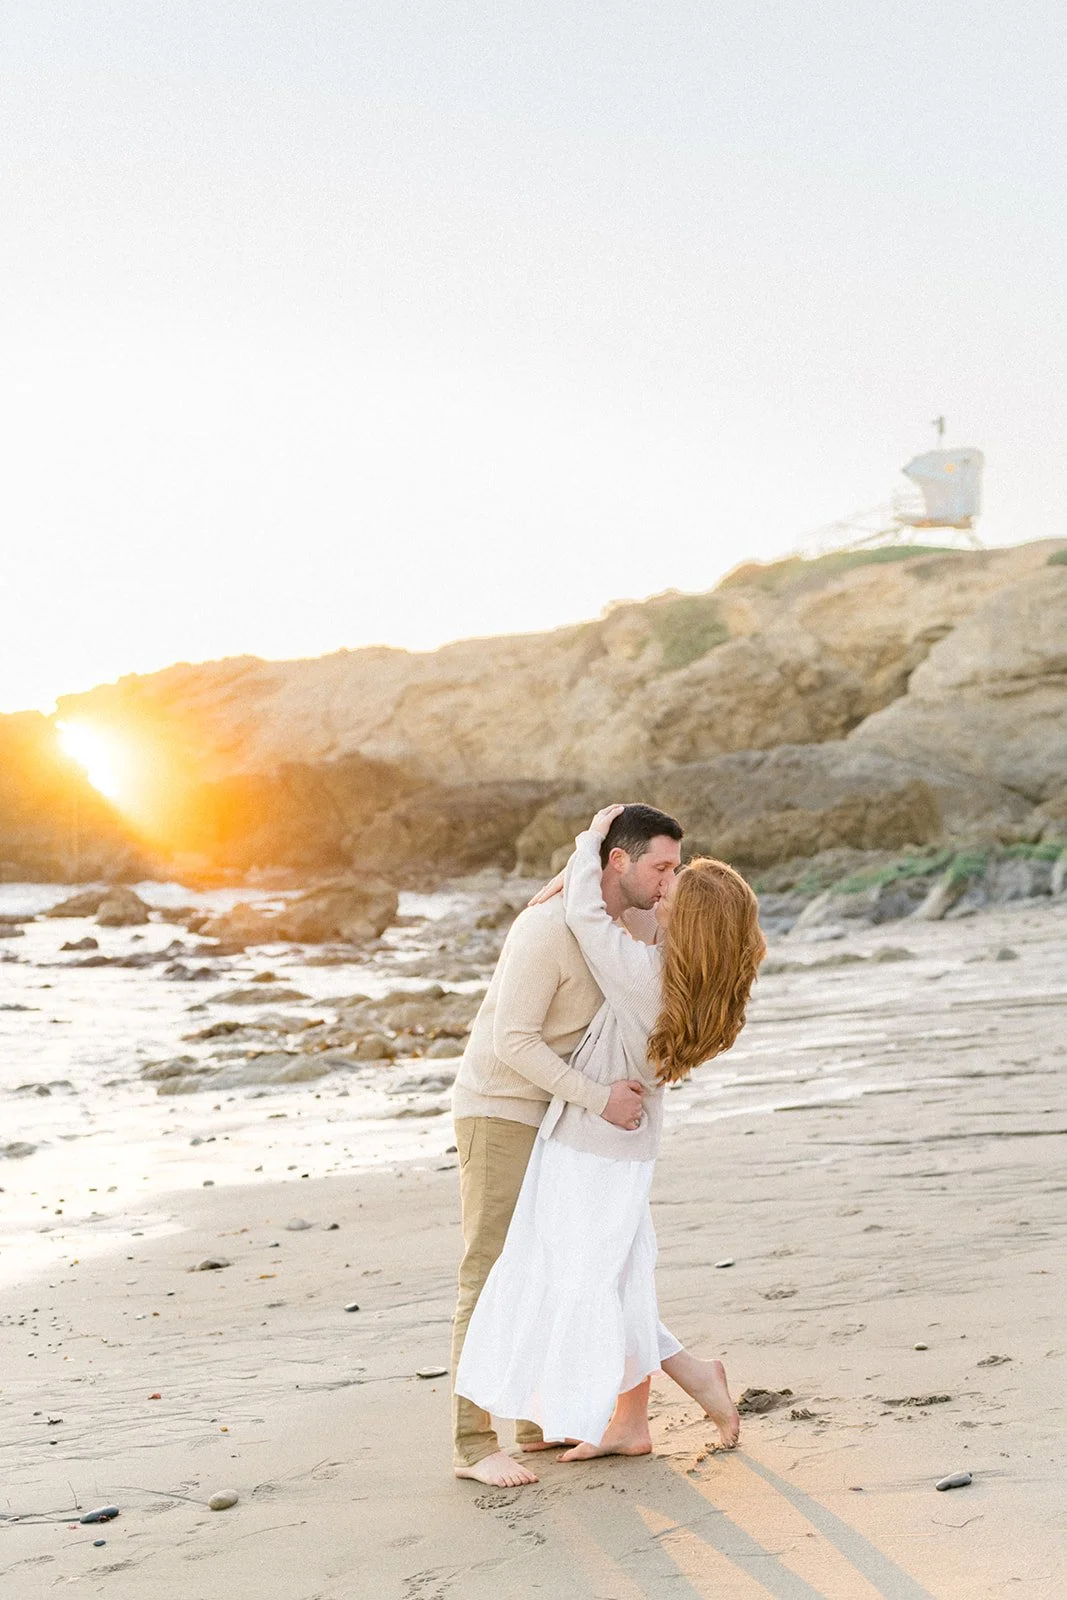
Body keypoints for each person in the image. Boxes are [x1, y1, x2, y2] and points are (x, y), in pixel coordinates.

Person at [455, 804, 766, 1467]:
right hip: (614, 1140)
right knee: (611, 1276)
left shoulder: (640, 969)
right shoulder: (687, 974)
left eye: (674, 881)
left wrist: (587, 844)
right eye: (664, 870)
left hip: (590, 1143)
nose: (663, 888)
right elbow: (589, 914)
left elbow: (589, 917)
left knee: (589, 1280)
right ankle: (638, 1411)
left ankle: (666, 1387)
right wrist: (570, 882)